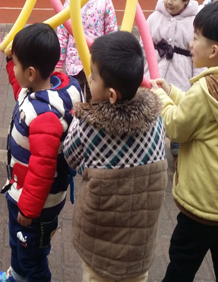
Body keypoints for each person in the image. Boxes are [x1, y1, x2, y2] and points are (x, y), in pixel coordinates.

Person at [64, 31, 168, 282]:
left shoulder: (89, 126)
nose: (89, 78)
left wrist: (82, 113)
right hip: (139, 248)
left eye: (93, 76)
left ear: (111, 95)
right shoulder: (155, 118)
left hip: (100, 248)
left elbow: (70, 156)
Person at [151, 1, 218, 282]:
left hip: (201, 203)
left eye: (196, 37)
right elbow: (201, 112)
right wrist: (172, 90)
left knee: (181, 264)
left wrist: (159, 97)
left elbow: (176, 126)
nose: (190, 42)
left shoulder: (204, 90)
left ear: (213, 51)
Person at [0, 23, 82, 282]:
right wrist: (11, 61)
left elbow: (43, 168)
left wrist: (28, 209)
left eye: (17, 65)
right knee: (19, 244)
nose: (14, 70)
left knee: (32, 257)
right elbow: (21, 92)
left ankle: (26, 276)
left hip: (35, 204)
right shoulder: (44, 88)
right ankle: (17, 276)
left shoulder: (45, 116)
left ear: (31, 73)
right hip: (25, 193)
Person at [146, 0, 201, 167]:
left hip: (181, 76)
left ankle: (178, 151)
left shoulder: (195, 22)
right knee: (154, 112)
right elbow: (145, 46)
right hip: (156, 73)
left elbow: (198, 57)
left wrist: (197, 81)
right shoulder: (155, 17)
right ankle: (154, 150)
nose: (168, 1)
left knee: (179, 114)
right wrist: (142, 71)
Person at [56, 0, 118, 101]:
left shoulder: (105, 1)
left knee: (94, 100)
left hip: (96, 62)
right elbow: (62, 33)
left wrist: (110, 59)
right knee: (74, 99)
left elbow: (111, 33)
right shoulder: (71, 0)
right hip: (74, 62)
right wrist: (59, 63)